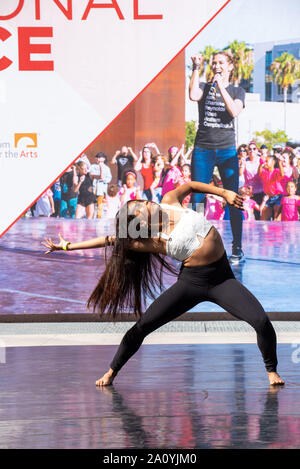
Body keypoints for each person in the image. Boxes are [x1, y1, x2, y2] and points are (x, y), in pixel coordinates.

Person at [42, 181, 284, 388]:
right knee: (143, 326)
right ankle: (111, 371)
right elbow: (109, 241)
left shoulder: (170, 200)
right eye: (141, 209)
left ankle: (271, 371)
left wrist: (225, 193)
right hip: (192, 283)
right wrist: (67, 246)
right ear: (139, 223)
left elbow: (190, 185)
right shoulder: (148, 241)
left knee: (261, 322)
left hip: (222, 279)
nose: (149, 205)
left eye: (145, 202)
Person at [189, 51, 245, 264]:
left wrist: (220, 86)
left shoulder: (237, 90)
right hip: (203, 149)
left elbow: (234, 111)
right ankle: (195, 246)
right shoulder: (204, 87)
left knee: (233, 198)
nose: (216, 66)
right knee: (197, 198)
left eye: (221, 63)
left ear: (229, 67)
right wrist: (196, 67)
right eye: (214, 63)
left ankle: (237, 247)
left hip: (226, 151)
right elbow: (193, 95)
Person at [89, 152, 112, 219]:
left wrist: (104, 179)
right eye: (97, 157)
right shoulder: (92, 166)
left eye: (100, 157)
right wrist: (98, 176)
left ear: (104, 159)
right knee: (92, 204)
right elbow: (91, 175)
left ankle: (99, 217)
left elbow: (109, 178)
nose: (98, 159)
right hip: (93, 188)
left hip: (101, 189)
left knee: (100, 204)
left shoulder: (107, 168)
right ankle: (91, 217)